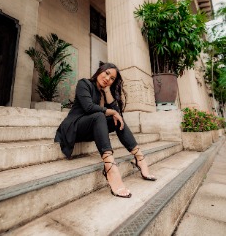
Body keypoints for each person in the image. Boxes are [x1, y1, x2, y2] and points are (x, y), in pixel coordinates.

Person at [54, 62, 156, 198]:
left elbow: (118, 114)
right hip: (73, 127)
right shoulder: (84, 83)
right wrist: (111, 112)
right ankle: (110, 167)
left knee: (117, 119)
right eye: (107, 73)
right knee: (100, 115)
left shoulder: (103, 92)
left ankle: (139, 157)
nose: (108, 78)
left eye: (112, 78)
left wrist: (107, 91)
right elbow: (89, 108)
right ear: (100, 70)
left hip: (90, 128)